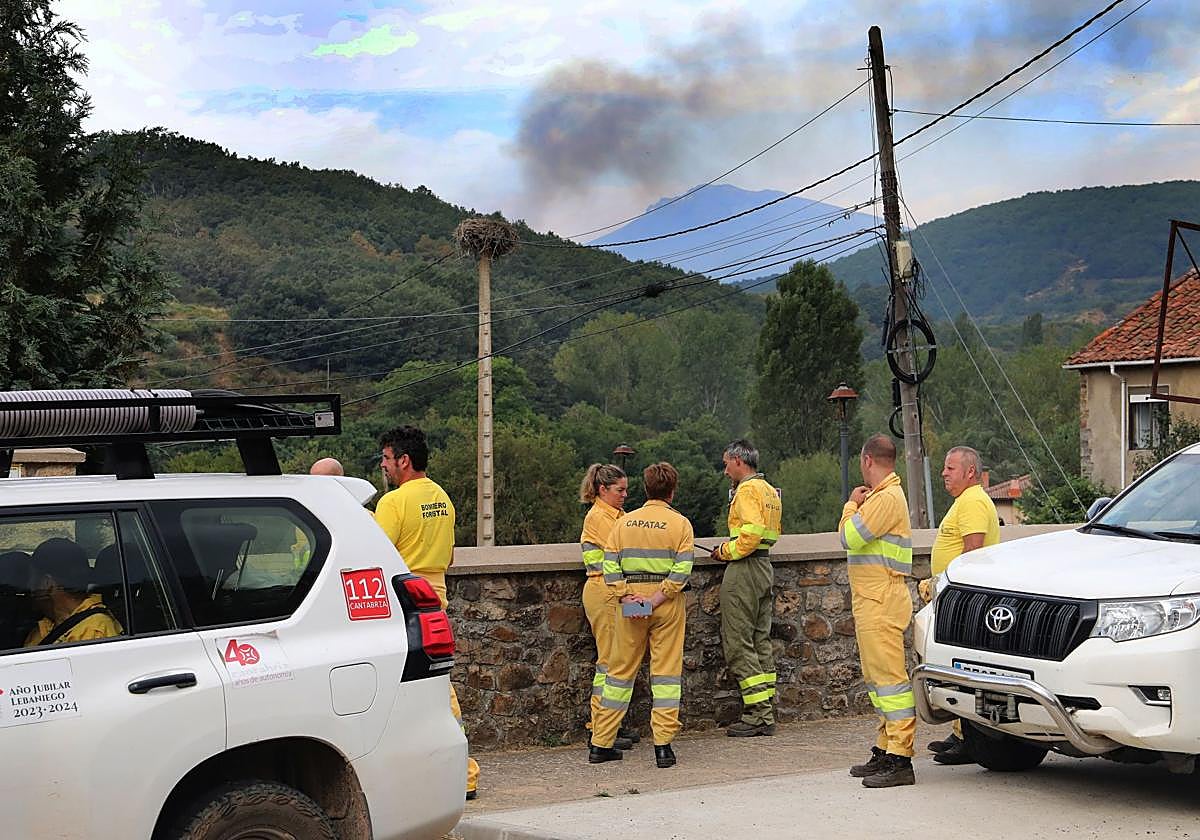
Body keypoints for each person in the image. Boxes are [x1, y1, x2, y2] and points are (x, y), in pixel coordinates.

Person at [374, 426, 480, 800]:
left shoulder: (393, 503)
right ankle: (453, 775)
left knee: (433, 694)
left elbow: (374, 557)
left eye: (386, 459)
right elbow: (448, 557)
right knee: (435, 688)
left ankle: (462, 775)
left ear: (403, 460)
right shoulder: (442, 497)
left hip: (400, 603)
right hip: (435, 600)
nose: (384, 466)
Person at [589, 462, 693, 769]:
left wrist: (625, 594)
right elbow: (683, 569)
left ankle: (601, 743)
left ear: (646, 488)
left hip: (630, 601)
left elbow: (608, 564)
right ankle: (663, 746)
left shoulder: (624, 523)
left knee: (619, 672)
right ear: (672, 491)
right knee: (665, 675)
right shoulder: (680, 524)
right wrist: (658, 598)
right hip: (666, 603)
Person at [840, 434, 916, 788]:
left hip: (881, 598)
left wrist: (850, 506)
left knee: (890, 681)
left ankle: (900, 758)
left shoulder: (885, 498)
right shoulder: (883, 497)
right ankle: (886, 748)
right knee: (878, 682)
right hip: (874, 597)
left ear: (867, 460)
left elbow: (850, 537)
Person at [924, 445, 1000, 765]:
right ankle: (961, 734)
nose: (943, 473)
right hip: (955, 598)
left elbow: (972, 552)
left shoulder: (972, 502)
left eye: (950, 468)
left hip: (964, 602)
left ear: (970, 472)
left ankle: (970, 740)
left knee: (963, 667)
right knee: (955, 667)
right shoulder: (965, 501)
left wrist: (948, 587)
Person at [710, 440, 782, 737]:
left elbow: (749, 534)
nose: (725, 470)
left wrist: (725, 551)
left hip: (745, 568)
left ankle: (758, 715)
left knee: (738, 642)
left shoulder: (747, 491)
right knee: (760, 640)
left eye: (726, 463)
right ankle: (766, 707)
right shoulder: (768, 490)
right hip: (764, 566)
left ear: (739, 461)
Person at [578, 463, 637, 751]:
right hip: (605, 592)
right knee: (609, 662)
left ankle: (611, 722)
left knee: (617, 659)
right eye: (620, 490)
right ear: (603, 489)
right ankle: (601, 727)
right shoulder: (600, 517)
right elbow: (624, 550)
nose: (625, 495)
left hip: (612, 591)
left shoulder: (616, 515)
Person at [24, 538, 123, 647]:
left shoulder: (95, 631)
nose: (28, 586)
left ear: (47, 583)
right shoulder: (45, 627)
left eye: (31, 578)